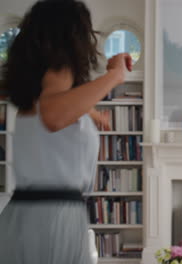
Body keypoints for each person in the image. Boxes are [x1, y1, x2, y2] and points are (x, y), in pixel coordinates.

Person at [0, 0, 132, 263]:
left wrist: (91, 112)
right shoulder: (58, 75)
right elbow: (53, 115)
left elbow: (52, 111)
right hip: (52, 222)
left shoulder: (37, 90)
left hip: (25, 216)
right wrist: (115, 76)